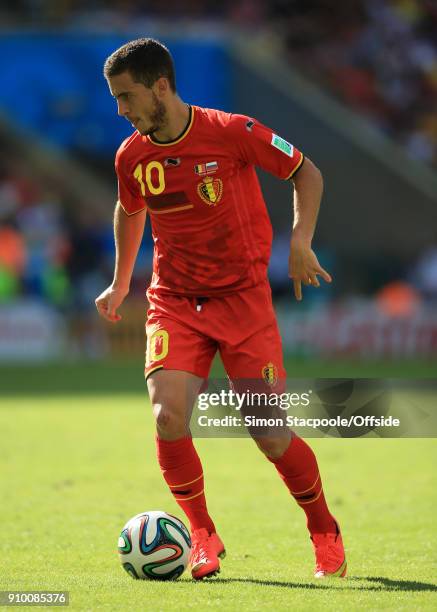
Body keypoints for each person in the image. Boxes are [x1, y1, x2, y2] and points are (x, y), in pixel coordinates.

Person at [95, 38, 346, 580]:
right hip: (175, 301)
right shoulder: (132, 155)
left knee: (270, 433)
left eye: (126, 96)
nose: (121, 109)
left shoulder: (233, 132)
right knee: (167, 417)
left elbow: (307, 172)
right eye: (115, 99)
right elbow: (129, 207)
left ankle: (323, 527)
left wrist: (301, 240)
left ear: (161, 85)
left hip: (243, 300)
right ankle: (203, 535)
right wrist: (120, 283)